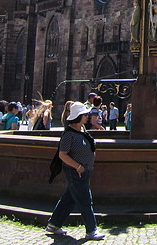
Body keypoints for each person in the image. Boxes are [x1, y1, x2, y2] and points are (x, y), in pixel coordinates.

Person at [44, 102, 106, 241]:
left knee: (69, 199)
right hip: (75, 171)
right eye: (85, 114)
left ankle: (53, 225)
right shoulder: (69, 134)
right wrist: (78, 166)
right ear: (78, 116)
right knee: (85, 200)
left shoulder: (81, 129)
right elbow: (62, 154)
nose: (87, 116)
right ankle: (91, 230)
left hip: (83, 171)